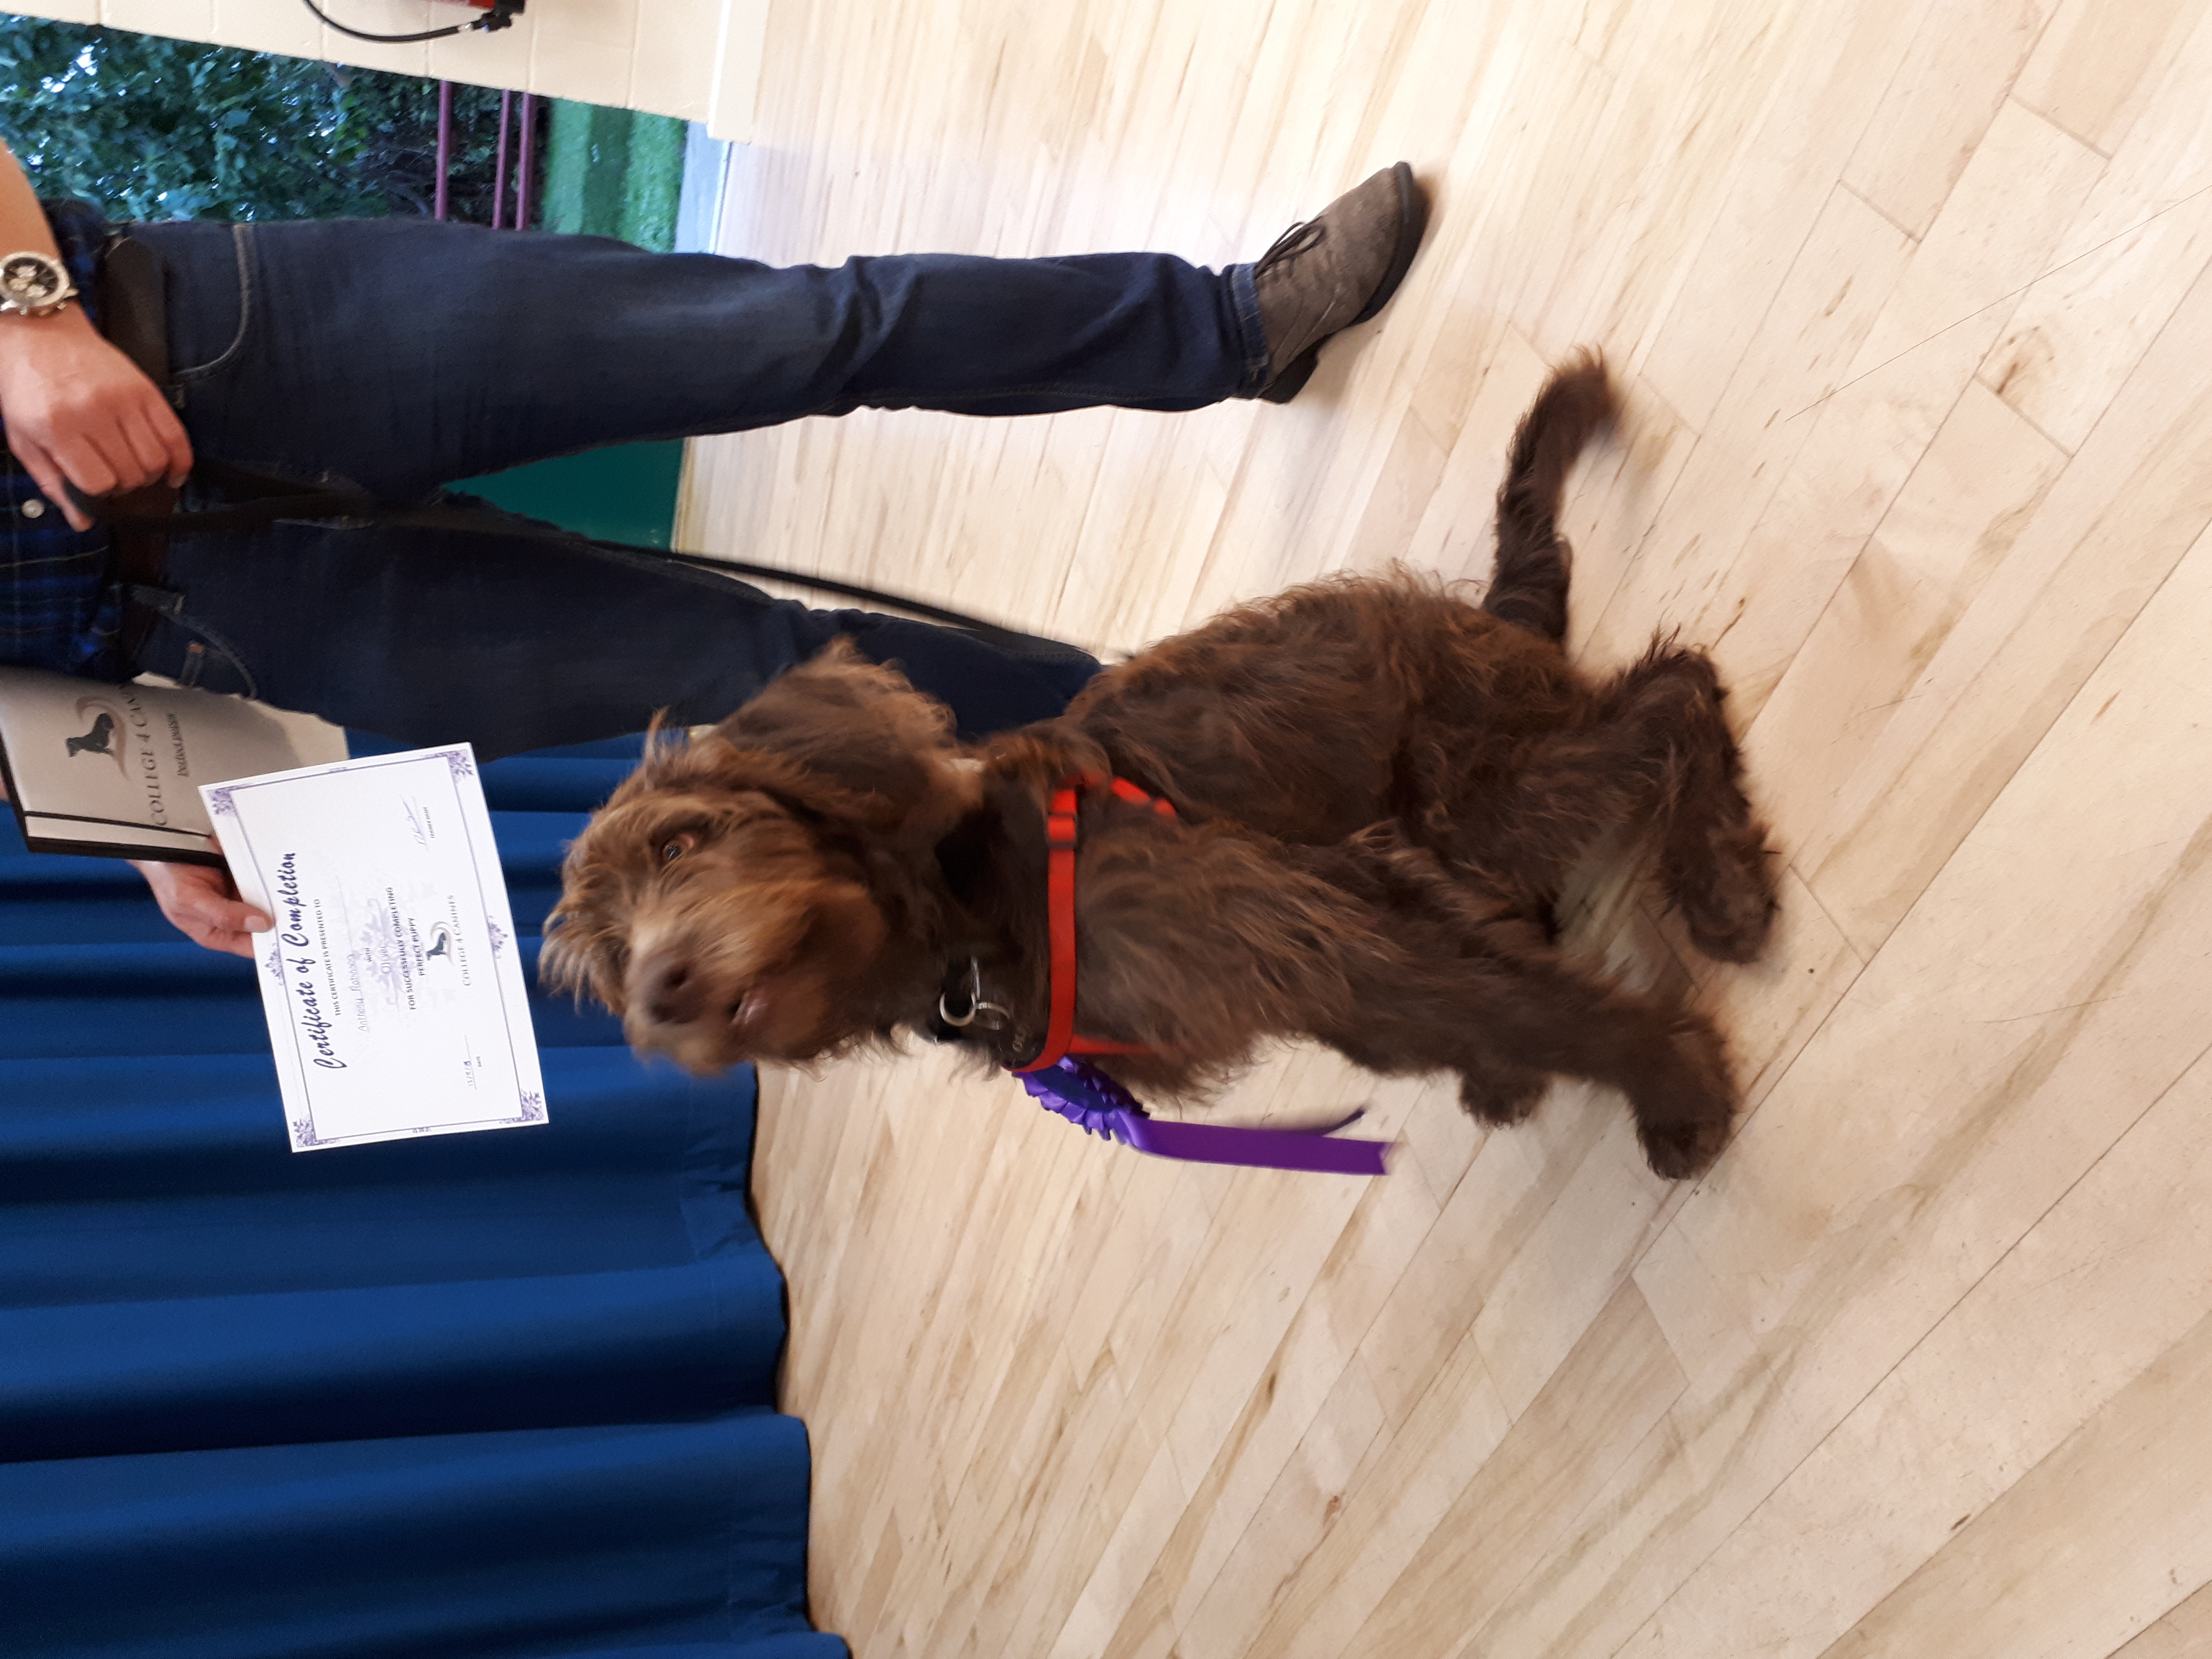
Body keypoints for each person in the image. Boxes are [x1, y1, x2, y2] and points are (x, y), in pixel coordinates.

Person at [0, 136, 1429, 954]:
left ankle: (1232, 325)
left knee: (801, 333)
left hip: (203, 341)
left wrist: (27, 318)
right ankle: (1289, 765)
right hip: (180, 637)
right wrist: (132, 840)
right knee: (778, 685)